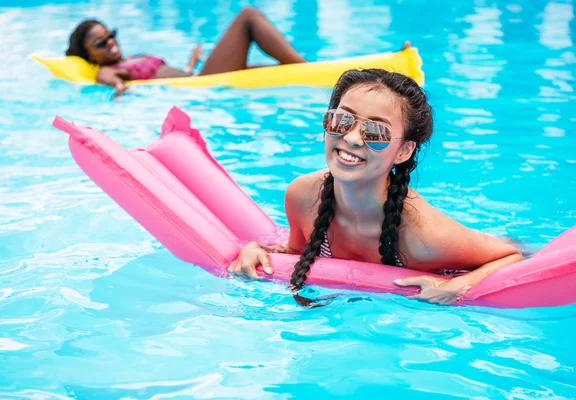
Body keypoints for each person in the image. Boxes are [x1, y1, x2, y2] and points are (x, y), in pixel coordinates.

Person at [229, 68, 523, 305]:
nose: (353, 138)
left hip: (468, 255)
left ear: (404, 151)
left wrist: (457, 285)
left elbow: (511, 257)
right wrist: (257, 250)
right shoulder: (303, 196)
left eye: (376, 131)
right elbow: (297, 251)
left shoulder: (423, 234)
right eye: (342, 120)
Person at [65, 7, 306, 96]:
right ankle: (305, 67)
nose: (110, 42)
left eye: (110, 35)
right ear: (89, 56)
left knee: (279, 69)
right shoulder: (104, 70)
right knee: (247, 17)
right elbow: (115, 85)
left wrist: (191, 64)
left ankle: (303, 67)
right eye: (100, 43)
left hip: (195, 76)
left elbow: (170, 74)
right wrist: (119, 91)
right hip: (202, 84)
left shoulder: (130, 57)